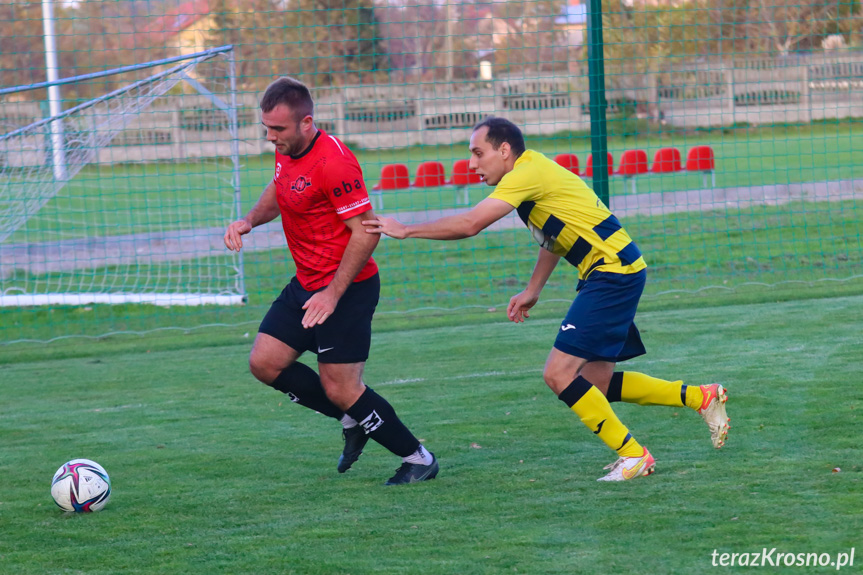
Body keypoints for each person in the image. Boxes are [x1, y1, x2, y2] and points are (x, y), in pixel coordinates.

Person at [363, 116, 729, 482]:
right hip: (612, 270)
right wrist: (532, 290)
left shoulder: (526, 173)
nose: (472, 164)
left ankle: (634, 455)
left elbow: (471, 224)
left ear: (504, 150)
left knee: (558, 374)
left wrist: (407, 229)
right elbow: (553, 238)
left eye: (478, 153)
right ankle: (700, 397)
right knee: (595, 385)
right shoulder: (528, 173)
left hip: (613, 273)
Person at [224, 76, 438, 485]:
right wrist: (249, 220)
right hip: (307, 282)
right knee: (265, 363)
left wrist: (332, 293)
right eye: (266, 128)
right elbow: (279, 188)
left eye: (278, 129)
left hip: (348, 288)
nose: (271, 137)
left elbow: (367, 231)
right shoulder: (286, 150)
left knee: (341, 386)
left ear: (306, 123)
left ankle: (418, 457)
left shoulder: (334, 163)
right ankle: (350, 420)